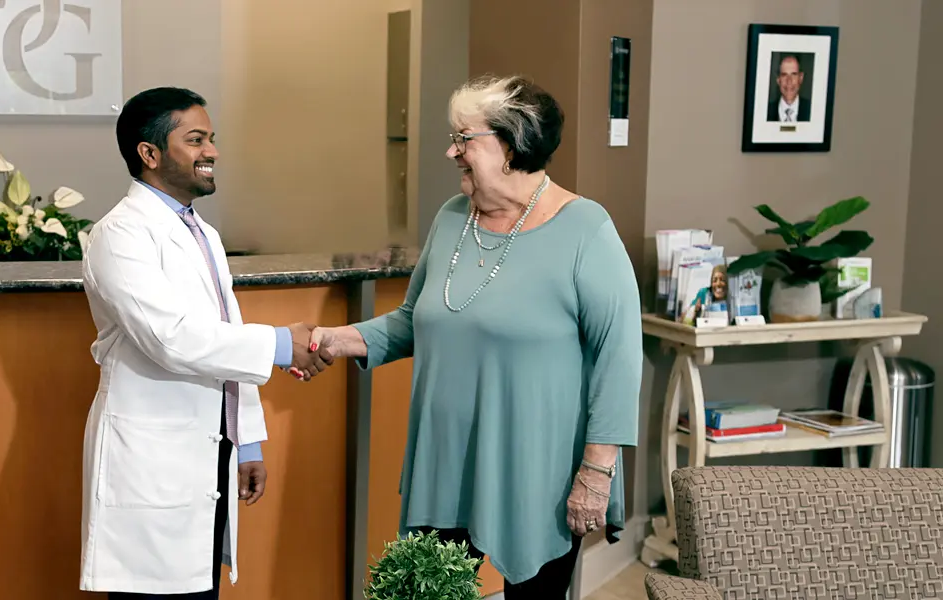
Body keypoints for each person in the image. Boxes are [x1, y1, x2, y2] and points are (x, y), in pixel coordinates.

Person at [303, 75, 642, 597]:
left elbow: (618, 358)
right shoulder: (452, 218)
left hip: (538, 467)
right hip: (445, 459)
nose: (450, 151)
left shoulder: (586, 229)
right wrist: (335, 339)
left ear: (510, 144)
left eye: (463, 139)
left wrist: (597, 472)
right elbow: (413, 319)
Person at [79, 87, 331, 599]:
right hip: (153, 458)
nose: (212, 151)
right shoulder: (119, 234)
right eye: (195, 140)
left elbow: (225, 333)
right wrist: (285, 344)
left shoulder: (202, 233)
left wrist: (248, 441)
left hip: (207, 448)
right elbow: (170, 339)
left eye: (211, 139)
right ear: (149, 154)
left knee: (201, 590)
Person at [767, 54, 811, 122]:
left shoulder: (812, 110)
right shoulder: (766, 111)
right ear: (778, 80)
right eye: (784, 75)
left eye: (794, 74)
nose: (789, 81)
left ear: (801, 78)